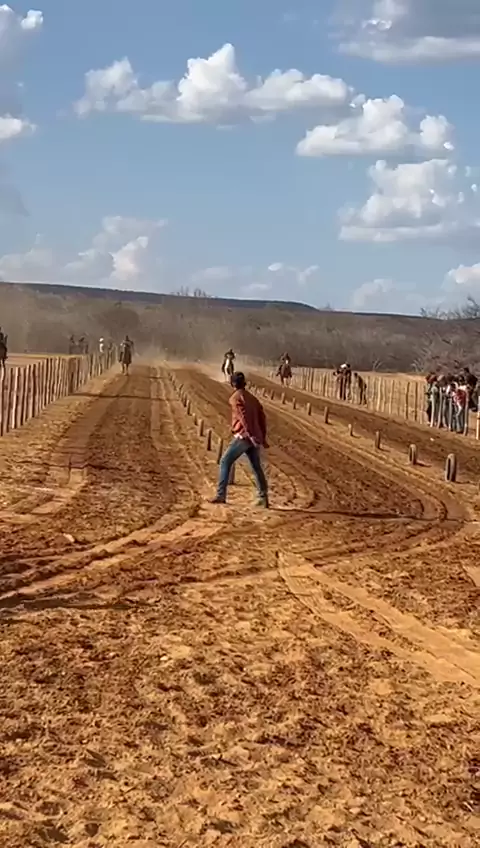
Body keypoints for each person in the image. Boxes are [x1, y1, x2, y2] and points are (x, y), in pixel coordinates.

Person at [211, 372, 269, 508]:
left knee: (225, 461)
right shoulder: (253, 398)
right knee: (256, 466)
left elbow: (243, 418)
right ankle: (263, 498)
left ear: (233, 384)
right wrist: (262, 436)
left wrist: (250, 434)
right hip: (254, 436)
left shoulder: (235, 398)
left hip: (244, 436)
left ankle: (220, 495)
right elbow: (262, 418)